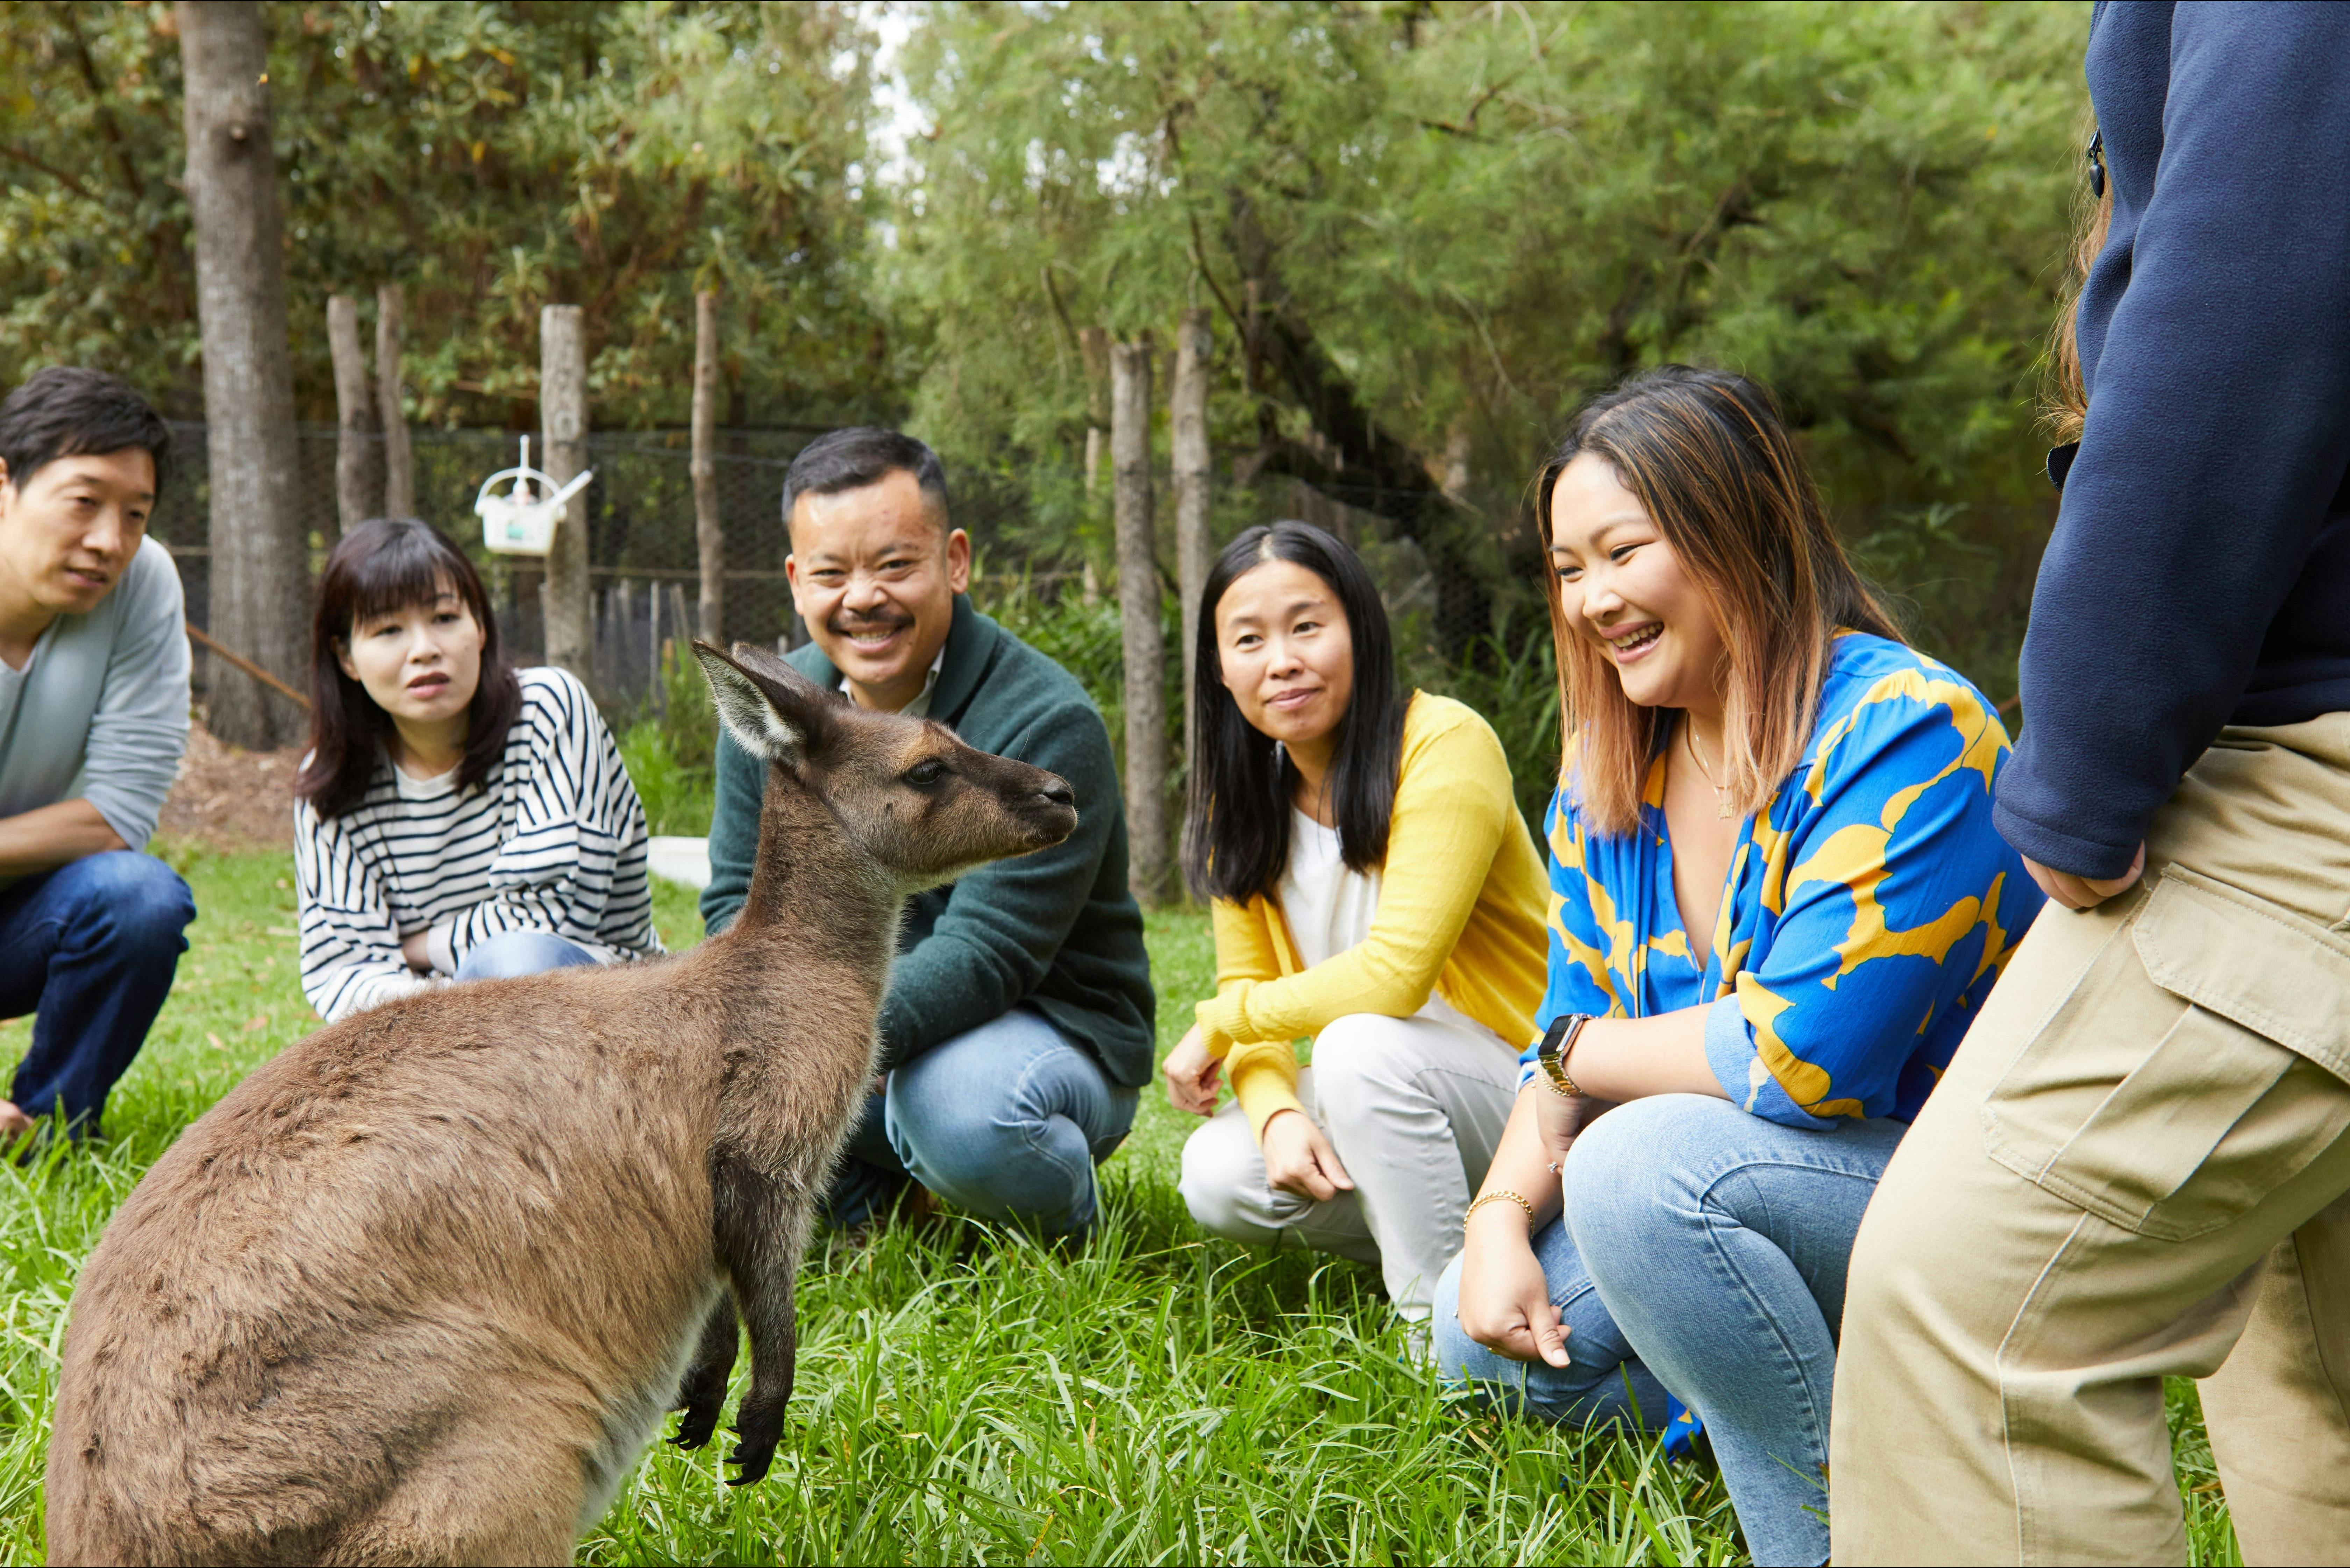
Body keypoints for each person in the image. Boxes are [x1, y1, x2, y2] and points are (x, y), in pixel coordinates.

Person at [1830, 8, 2350, 1563]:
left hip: (2299, 761)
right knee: (2314, 1371)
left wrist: (2087, 757)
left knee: (1967, 1319)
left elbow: (2249, 289)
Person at [1434, 366, 2044, 1568]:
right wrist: (1499, 1215)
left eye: (1625, 550)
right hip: (1753, 1201)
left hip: (1967, 1198)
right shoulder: (1607, 783)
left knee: (1637, 1166)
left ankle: (1845, 1529)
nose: (1594, 599)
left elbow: (1799, 1063)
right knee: (1479, 1351)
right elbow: (1570, 1022)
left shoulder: (1909, 728)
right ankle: (1783, 1381)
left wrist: (1584, 1057)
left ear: (1736, 529)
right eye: (1567, 569)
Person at [699, 427, 1153, 1241]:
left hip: (1036, 1035)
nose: (864, 596)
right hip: (854, 1034)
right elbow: (739, 900)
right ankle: (874, 1202)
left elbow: (991, 950)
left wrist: (826, 1038)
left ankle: (1064, 1225)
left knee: (953, 1107)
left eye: (895, 565)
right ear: (798, 582)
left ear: (956, 561)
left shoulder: (1046, 720)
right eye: (833, 573)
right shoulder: (782, 713)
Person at [1166, 520, 1550, 1331]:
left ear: (1360, 630)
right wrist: (1274, 1111)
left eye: (1307, 626)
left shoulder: (1444, 743)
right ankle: (1490, 1241)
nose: (1282, 660)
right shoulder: (1240, 800)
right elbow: (1250, 985)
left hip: (1532, 1095)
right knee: (1219, 1170)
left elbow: (1395, 976)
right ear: (1220, 669)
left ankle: (1441, 1334)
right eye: (1249, 639)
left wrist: (1220, 1024)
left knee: (1358, 1043)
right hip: (1394, 1096)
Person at [293, 518, 661, 1022]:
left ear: (481, 626)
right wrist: (453, 1018)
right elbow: (344, 973)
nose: (424, 648)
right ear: (346, 657)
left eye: (444, 618)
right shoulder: (332, 785)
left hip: (607, 1011)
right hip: (440, 1044)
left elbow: (555, 918)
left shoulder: (548, 713)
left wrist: (421, 949)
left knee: (517, 963)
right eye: (388, 630)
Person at [0, 368, 194, 1140]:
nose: (110, 541)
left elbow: (117, 815)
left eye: (136, 514)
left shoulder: (144, 584)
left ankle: (50, 1127)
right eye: (84, 501)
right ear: (6, 481)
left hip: (26, 912)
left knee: (138, 898)